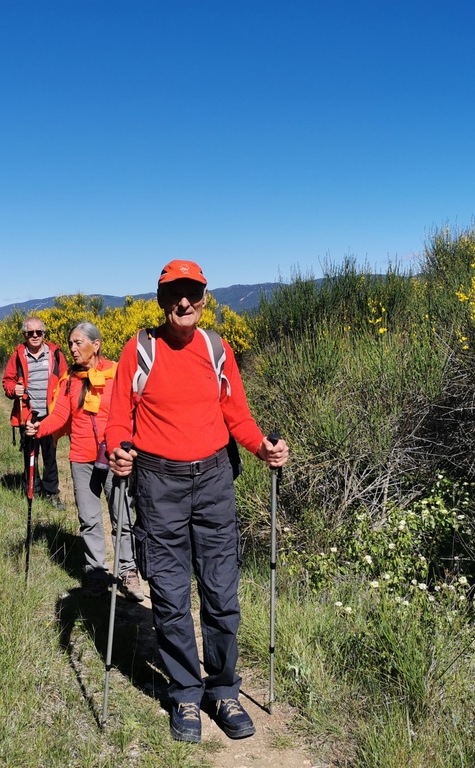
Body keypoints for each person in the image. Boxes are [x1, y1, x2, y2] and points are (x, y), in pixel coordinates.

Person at [105, 259, 289, 744]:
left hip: (213, 481)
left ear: (204, 298)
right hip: (157, 481)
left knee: (221, 591)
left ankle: (222, 688)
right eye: (173, 295)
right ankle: (186, 693)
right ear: (161, 300)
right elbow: (118, 417)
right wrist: (119, 450)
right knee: (168, 594)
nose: (183, 303)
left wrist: (262, 448)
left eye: (192, 294)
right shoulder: (139, 349)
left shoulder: (215, 348)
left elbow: (238, 415)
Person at [25, 322, 145, 601]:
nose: (73, 349)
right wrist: (38, 428)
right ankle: (96, 574)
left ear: (96, 344)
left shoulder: (118, 373)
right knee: (89, 520)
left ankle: (128, 571)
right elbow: (59, 416)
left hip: (116, 457)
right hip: (81, 458)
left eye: (79, 343)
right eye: (70, 344)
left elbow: (138, 409)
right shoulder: (69, 380)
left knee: (123, 517)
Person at [2, 316, 68, 509]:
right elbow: (7, 381)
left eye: (38, 332)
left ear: (44, 334)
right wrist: (14, 389)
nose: (35, 336)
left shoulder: (55, 354)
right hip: (28, 416)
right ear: (25, 334)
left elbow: (65, 380)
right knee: (30, 455)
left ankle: (51, 493)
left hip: (51, 416)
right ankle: (33, 490)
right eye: (30, 333)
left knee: (50, 455)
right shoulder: (17, 355)